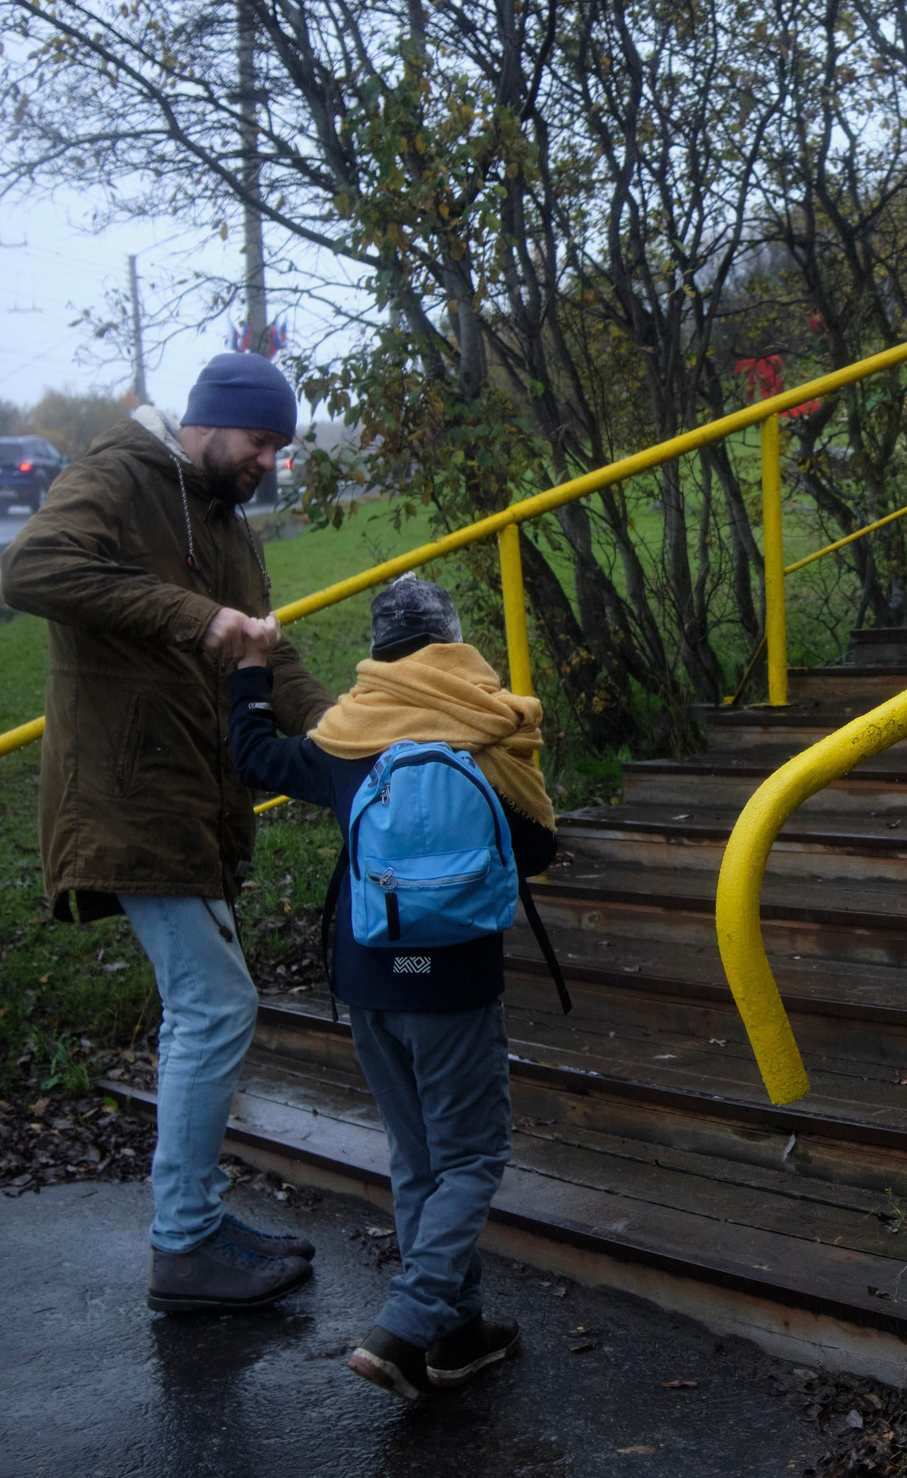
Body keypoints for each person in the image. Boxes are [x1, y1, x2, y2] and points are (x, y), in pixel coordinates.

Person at [0, 350, 326, 1312]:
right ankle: (184, 1244)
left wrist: (350, 734)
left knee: (208, 1005)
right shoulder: (117, 475)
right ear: (209, 420)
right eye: (259, 440)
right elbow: (31, 567)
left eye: (278, 446)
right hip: (128, 793)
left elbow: (264, 650)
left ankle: (199, 1222)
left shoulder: (222, 517)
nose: (268, 460)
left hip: (191, 798)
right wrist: (193, 616)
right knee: (214, 1005)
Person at [225, 576, 556, 1400]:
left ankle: (456, 1333)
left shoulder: (347, 735)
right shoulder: (487, 726)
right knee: (473, 1154)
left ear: (377, 650)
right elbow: (538, 850)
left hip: (370, 976)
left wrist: (251, 674)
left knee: (418, 1160)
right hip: (456, 984)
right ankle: (408, 1325)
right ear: (452, 641)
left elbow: (254, 756)